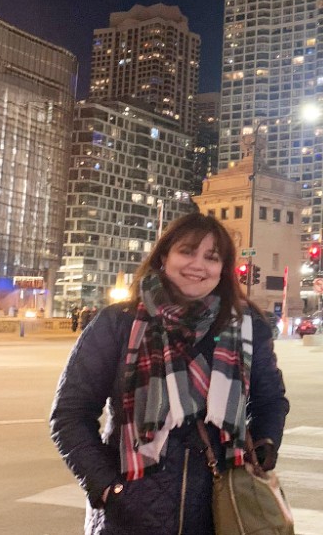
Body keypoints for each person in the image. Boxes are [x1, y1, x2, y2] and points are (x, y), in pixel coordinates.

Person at [50, 214, 290, 534]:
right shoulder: (118, 323)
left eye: (211, 257)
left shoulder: (246, 327)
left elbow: (270, 400)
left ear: (223, 268)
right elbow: (70, 413)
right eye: (187, 251)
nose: (198, 264)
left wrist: (264, 446)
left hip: (221, 509)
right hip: (131, 514)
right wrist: (108, 488)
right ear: (164, 256)